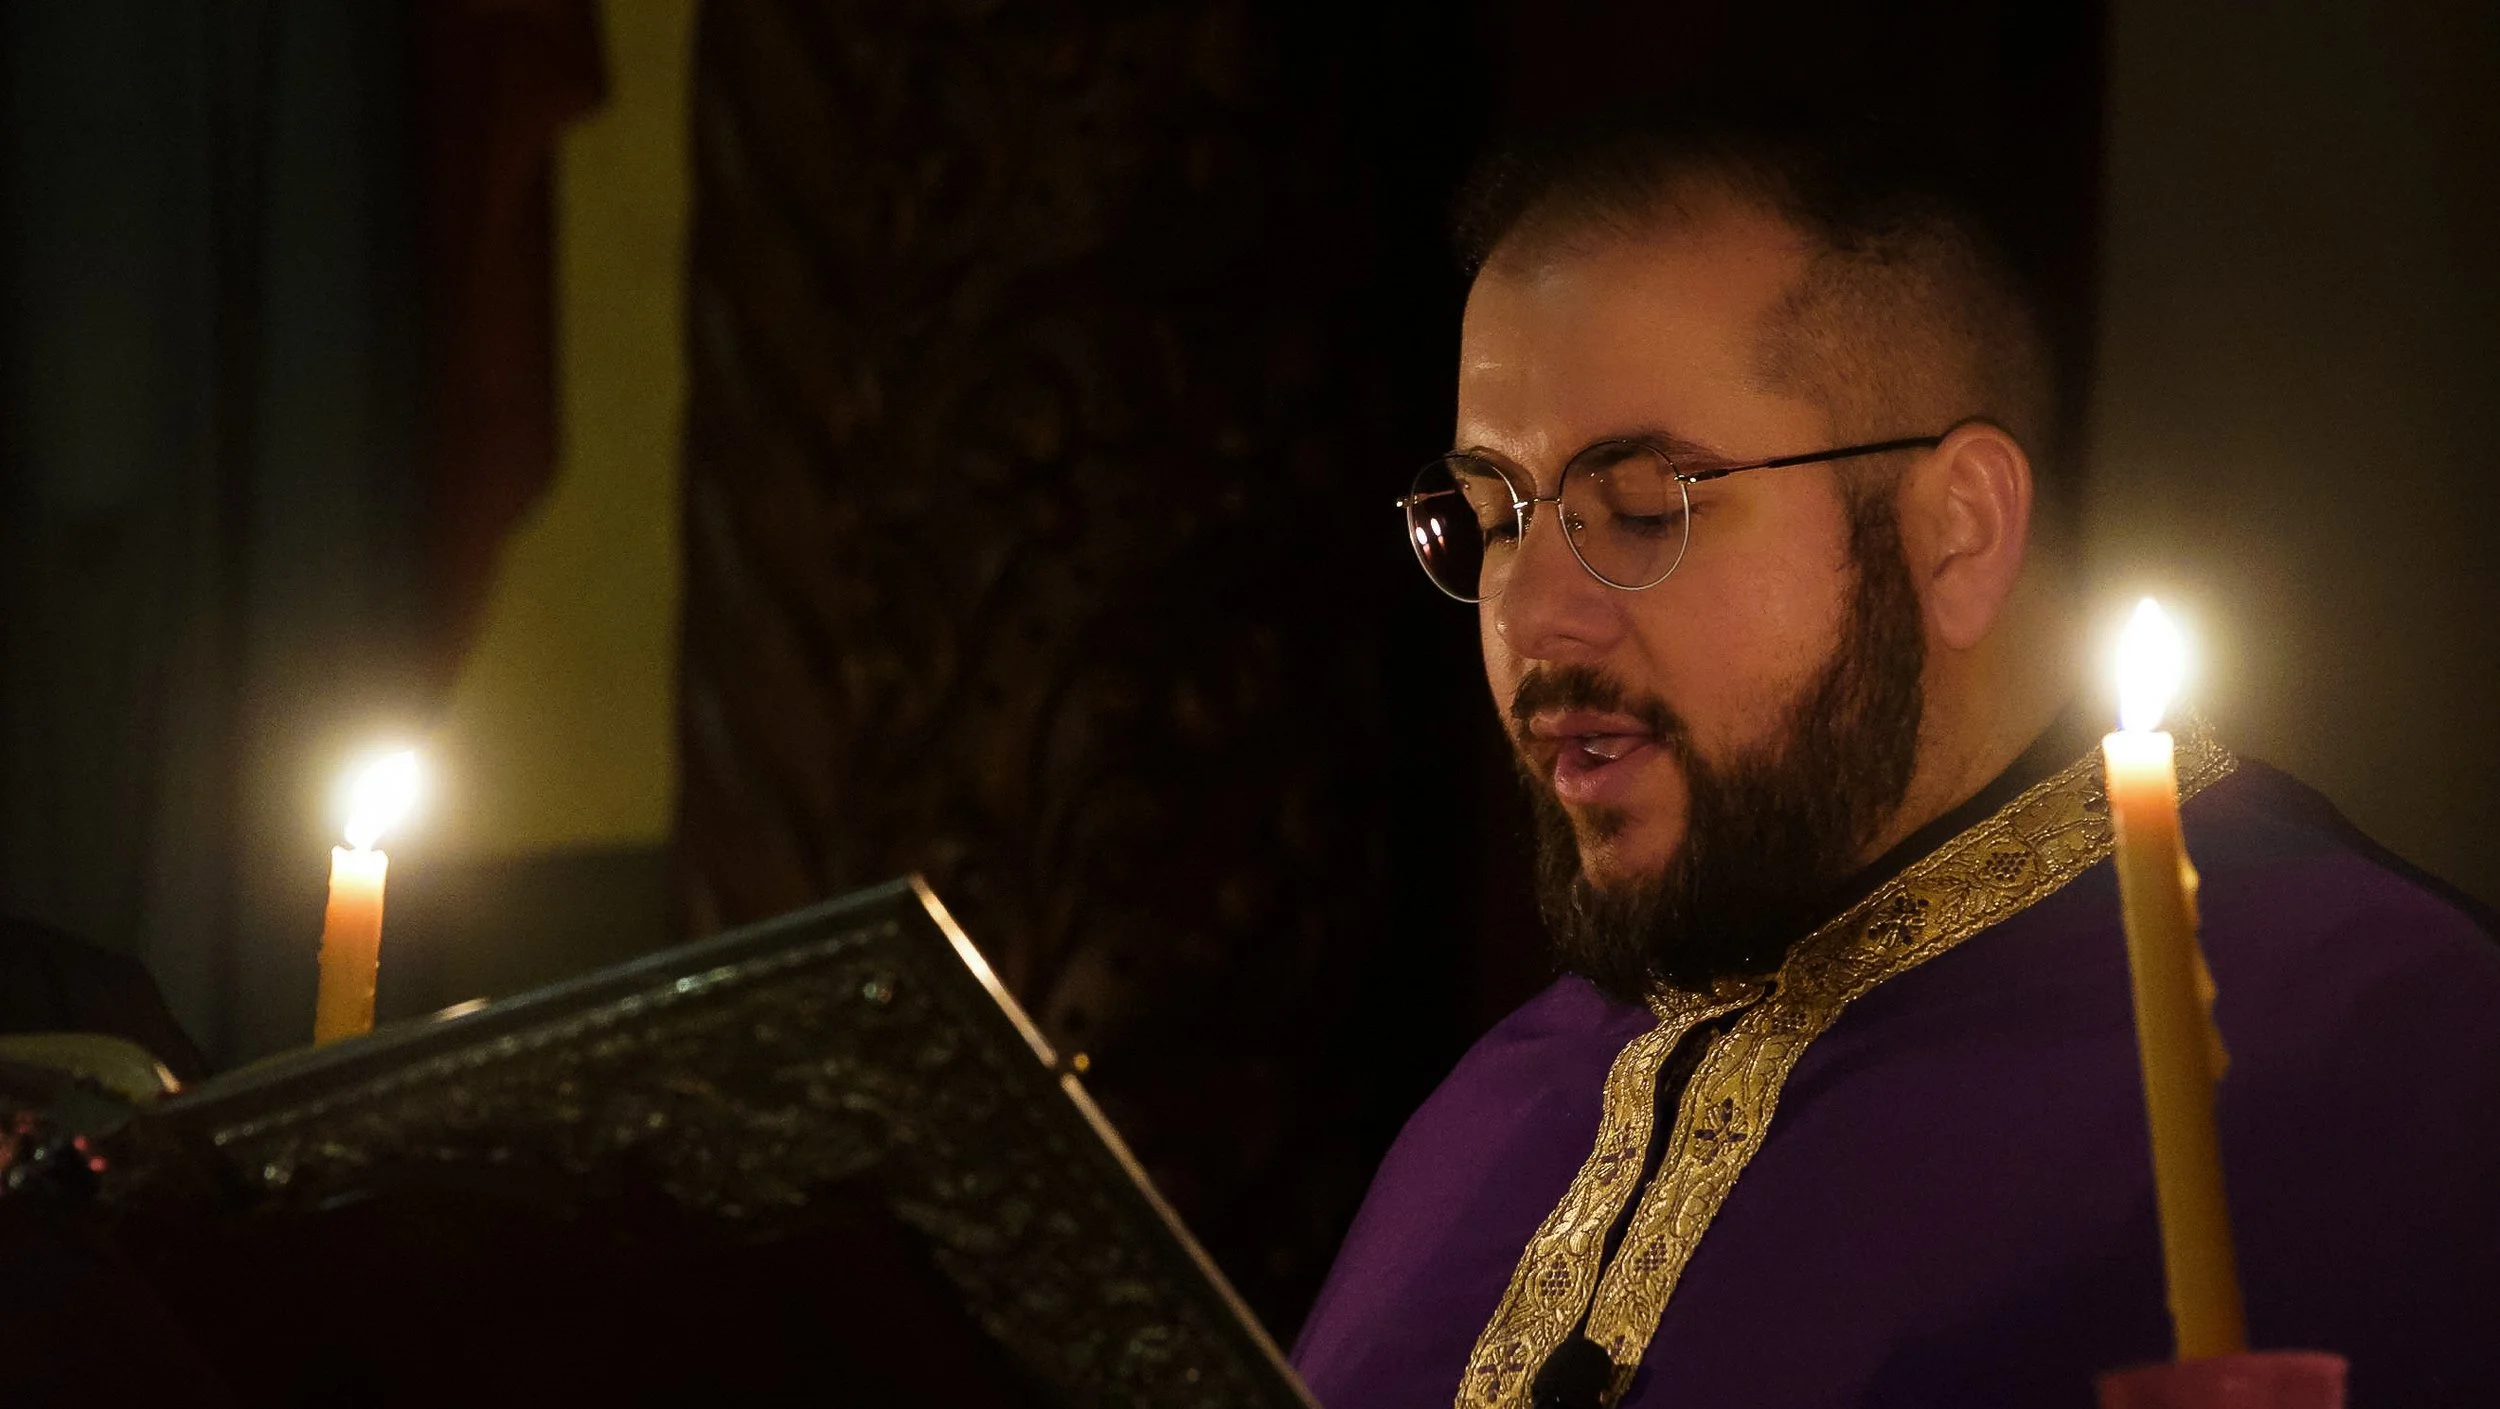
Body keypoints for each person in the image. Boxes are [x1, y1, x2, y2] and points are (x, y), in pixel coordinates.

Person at [1289, 111, 2500, 1408]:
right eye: (1494, 519)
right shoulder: (1502, 1109)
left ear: (1958, 531)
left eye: (1642, 509)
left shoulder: (2376, 1056)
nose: (1531, 618)